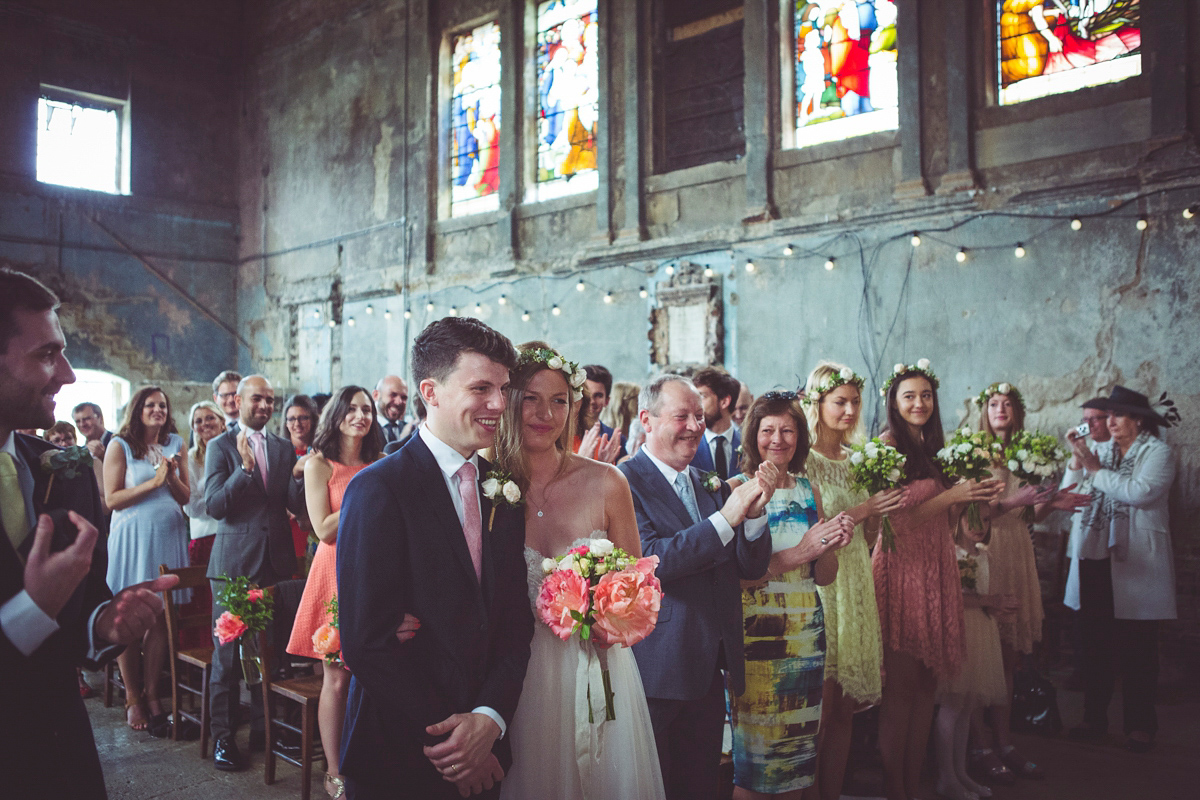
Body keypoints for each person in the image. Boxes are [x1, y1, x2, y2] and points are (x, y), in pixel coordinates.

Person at [336, 317, 535, 799]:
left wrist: (488, 720)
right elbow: (366, 643)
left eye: (503, 388)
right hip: (402, 751)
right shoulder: (379, 489)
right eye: (481, 388)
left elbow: (513, 622)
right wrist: (456, 744)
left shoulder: (504, 492)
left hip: (488, 744)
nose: (498, 404)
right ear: (432, 391)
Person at [0, 267, 178, 799]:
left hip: (64, 761)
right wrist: (29, 612)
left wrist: (104, 623)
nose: (69, 375)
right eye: (46, 355)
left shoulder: (62, 469)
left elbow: (78, 610)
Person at [494, 344, 664, 799]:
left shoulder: (608, 482)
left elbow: (639, 585)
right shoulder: (488, 486)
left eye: (559, 400)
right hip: (517, 673)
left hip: (596, 669)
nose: (544, 413)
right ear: (508, 399)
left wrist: (611, 619)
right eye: (530, 398)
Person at [618, 375, 775, 800]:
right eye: (681, 416)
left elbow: (750, 564)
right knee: (656, 784)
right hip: (660, 664)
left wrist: (755, 515)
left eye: (699, 417)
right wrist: (726, 519)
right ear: (646, 420)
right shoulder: (624, 481)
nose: (694, 426)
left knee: (702, 782)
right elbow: (652, 560)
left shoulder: (706, 480)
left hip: (710, 663)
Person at [871, 362, 1003, 800]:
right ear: (894, 402)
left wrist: (980, 499)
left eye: (926, 395)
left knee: (928, 689)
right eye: (909, 395)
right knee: (903, 691)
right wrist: (953, 495)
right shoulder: (887, 447)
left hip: (936, 567)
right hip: (902, 570)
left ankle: (917, 784)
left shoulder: (934, 446)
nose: (919, 403)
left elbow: (954, 522)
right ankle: (897, 789)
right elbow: (897, 521)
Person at [727, 391, 855, 799]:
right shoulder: (737, 488)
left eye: (788, 430)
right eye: (768, 430)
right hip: (756, 638)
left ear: (800, 436)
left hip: (805, 638)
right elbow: (737, 580)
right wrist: (802, 550)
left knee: (798, 761)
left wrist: (831, 543)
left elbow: (824, 577)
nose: (778, 439)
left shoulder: (809, 490)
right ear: (754, 436)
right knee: (754, 765)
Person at [969, 382, 1087, 781]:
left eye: (1007, 404)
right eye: (993, 403)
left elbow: (1029, 516)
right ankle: (979, 746)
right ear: (984, 411)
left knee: (1007, 659)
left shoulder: (1029, 452)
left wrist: (1050, 504)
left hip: (1017, 551)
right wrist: (1013, 504)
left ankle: (1006, 743)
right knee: (977, 658)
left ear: (1018, 412)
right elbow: (969, 517)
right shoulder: (971, 452)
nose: (999, 409)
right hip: (985, 549)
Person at [801, 362, 906, 800]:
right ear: (817, 403)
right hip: (826, 586)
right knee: (820, 711)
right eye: (839, 401)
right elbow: (818, 529)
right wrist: (866, 508)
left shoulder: (862, 457)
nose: (848, 410)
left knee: (845, 710)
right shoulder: (805, 459)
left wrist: (879, 513)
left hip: (857, 581)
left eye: (855, 402)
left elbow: (867, 535)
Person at [1066, 385, 1177, 753]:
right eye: (1107, 415)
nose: (1109, 422)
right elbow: (1070, 496)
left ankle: (1141, 726)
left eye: (1117, 415)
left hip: (1137, 562)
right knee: (1095, 644)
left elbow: (1140, 491)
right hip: (1096, 555)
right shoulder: (1099, 450)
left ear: (1138, 420)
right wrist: (1077, 461)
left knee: (1138, 649)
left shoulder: (1158, 453)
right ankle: (1093, 719)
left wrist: (1095, 470)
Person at [204, 374, 305, 772]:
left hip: (276, 563)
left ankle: (267, 730)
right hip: (234, 567)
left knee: (270, 655)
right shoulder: (220, 446)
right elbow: (215, 506)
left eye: (270, 400)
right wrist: (244, 469)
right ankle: (224, 737)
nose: (265, 406)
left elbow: (292, 504)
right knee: (229, 658)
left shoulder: (282, 448)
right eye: (257, 399)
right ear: (239, 401)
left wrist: (299, 476)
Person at [286, 386, 382, 798]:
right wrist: (364, 493)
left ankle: (370, 758)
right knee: (337, 678)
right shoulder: (318, 465)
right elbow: (323, 528)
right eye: (353, 408)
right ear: (337, 414)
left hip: (374, 572)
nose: (361, 415)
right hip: (335, 572)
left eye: (367, 409)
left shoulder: (377, 463)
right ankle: (334, 767)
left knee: (375, 673)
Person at [102, 385, 191, 734]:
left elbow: (185, 497)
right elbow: (112, 499)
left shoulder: (175, 444)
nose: (158, 410)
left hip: (168, 535)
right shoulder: (120, 445)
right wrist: (153, 483)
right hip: (132, 537)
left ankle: (154, 693)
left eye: (163, 405)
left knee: (160, 618)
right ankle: (132, 697)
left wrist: (170, 477)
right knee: (129, 616)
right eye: (151, 405)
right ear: (137, 409)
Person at [933, 515, 1013, 800]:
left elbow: (987, 594)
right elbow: (949, 597)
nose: (979, 525)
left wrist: (999, 606)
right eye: (972, 518)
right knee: (953, 704)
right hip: (960, 633)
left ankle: (960, 772)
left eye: (985, 519)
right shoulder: (950, 554)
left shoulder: (986, 556)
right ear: (958, 521)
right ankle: (946, 777)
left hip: (982, 633)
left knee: (967, 706)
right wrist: (989, 602)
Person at [179, 401, 224, 650]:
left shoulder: (235, 452)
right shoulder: (190, 460)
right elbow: (192, 508)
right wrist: (224, 498)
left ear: (221, 421)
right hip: (204, 539)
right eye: (198, 421)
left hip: (231, 537)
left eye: (210, 418)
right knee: (202, 605)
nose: (204, 424)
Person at [281, 394, 320, 567]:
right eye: (292, 419)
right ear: (285, 422)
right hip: (287, 524)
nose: (297, 424)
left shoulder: (323, 448)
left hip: (316, 523)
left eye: (303, 418)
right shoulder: (278, 450)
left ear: (313, 419)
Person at [690, 366, 742, 481]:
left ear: (724, 402)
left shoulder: (748, 444)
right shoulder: (689, 446)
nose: (695, 405)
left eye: (702, 397)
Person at [575, 364, 624, 463]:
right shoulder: (561, 435)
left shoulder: (616, 440)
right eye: (587, 394)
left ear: (607, 401)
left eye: (598, 395)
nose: (591, 401)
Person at [373, 375, 409, 447]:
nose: (398, 402)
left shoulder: (411, 431)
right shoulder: (365, 430)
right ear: (376, 395)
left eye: (403, 397)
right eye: (393, 395)